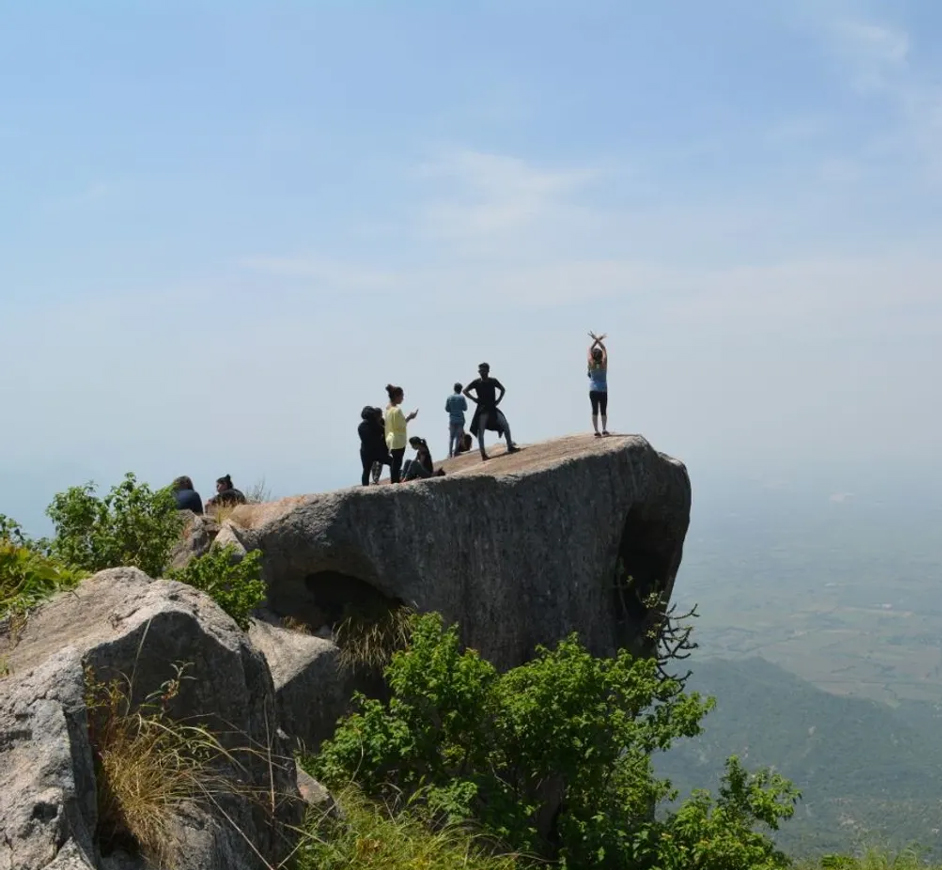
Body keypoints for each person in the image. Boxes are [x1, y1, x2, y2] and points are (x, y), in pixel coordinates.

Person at [464, 362, 517, 461]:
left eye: (483, 370)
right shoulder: (476, 382)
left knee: (505, 425)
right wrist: (474, 399)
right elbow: (465, 391)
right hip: (482, 409)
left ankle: (510, 446)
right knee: (481, 432)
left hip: (492, 408)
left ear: (488, 371)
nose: (481, 372)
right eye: (480, 370)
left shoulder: (493, 381)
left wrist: (498, 401)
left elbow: (503, 389)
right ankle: (483, 454)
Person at [384, 384, 418, 484]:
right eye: (402, 396)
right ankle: (395, 482)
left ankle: (394, 481)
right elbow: (402, 424)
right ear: (396, 396)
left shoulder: (388, 409)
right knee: (397, 463)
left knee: (394, 462)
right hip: (398, 439)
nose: (403, 398)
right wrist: (410, 417)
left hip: (390, 438)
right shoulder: (397, 410)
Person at [358, 406, 391, 487]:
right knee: (367, 471)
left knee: (366, 471)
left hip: (368, 451)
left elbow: (386, 432)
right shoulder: (370, 425)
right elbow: (374, 439)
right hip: (371, 451)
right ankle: (365, 488)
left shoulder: (364, 426)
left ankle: (365, 488)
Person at [587, 331, 609, 437]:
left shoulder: (591, 363)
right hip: (603, 390)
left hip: (593, 390)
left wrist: (595, 339)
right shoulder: (604, 363)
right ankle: (604, 429)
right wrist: (599, 339)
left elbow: (589, 350)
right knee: (603, 410)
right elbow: (604, 349)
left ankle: (596, 430)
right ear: (600, 356)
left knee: (594, 410)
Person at [445, 382, 468, 458]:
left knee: (451, 437)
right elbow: (465, 408)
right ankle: (456, 452)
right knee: (458, 436)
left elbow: (447, 409)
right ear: (460, 390)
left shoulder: (449, 398)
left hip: (452, 419)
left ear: (454, 388)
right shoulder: (462, 398)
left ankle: (450, 453)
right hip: (460, 419)